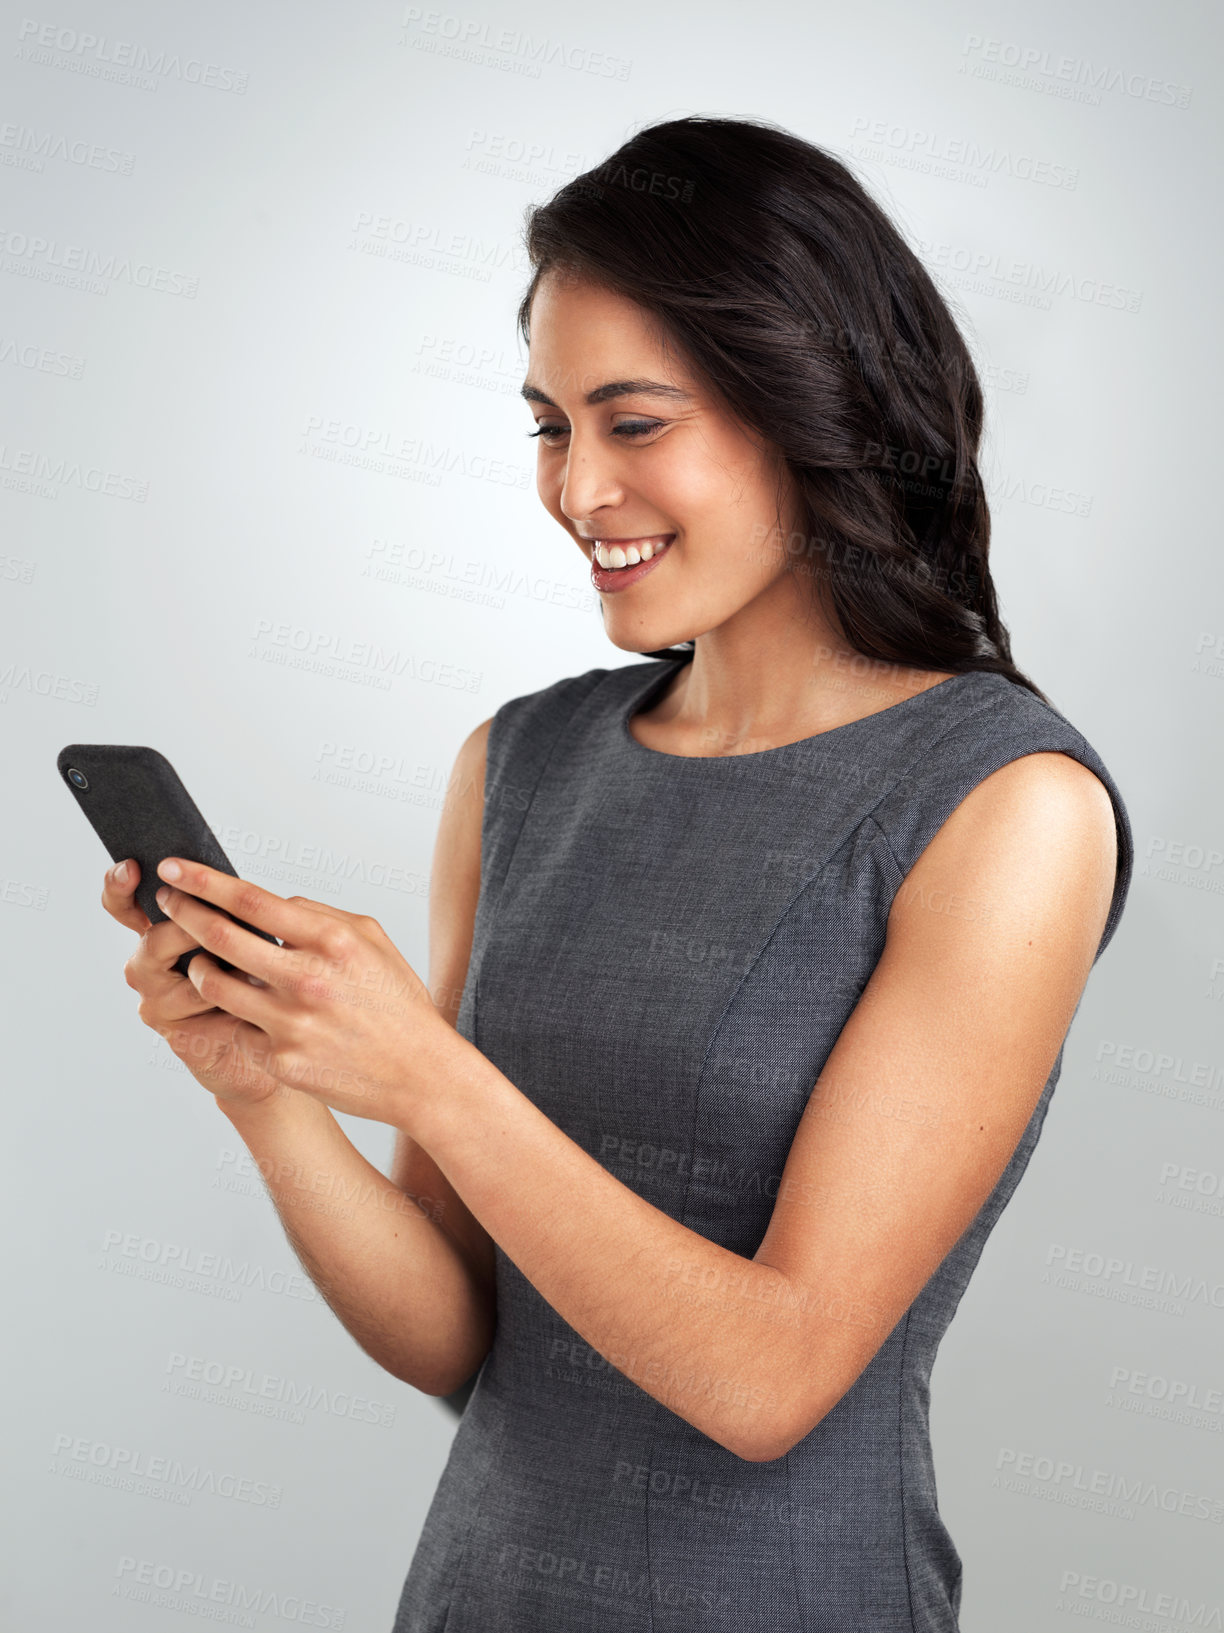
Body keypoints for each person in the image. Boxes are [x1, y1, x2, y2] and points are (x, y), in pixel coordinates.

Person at [103, 117, 1133, 1631]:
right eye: (547, 424)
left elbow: (772, 1379)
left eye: (634, 422)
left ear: (809, 406)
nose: (577, 488)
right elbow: (460, 1333)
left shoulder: (1005, 802)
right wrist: (270, 1092)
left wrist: (431, 1074)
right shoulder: (518, 764)